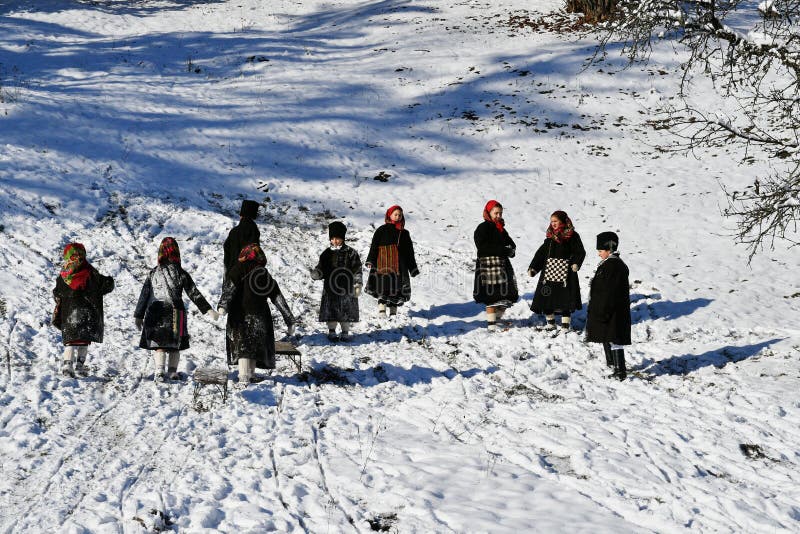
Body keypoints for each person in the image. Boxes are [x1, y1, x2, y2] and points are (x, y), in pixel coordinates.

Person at [134, 237, 218, 381]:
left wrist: (139, 315)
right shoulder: (181, 272)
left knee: (159, 343)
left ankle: (159, 372)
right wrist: (208, 309)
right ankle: (172, 372)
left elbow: (145, 295)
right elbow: (193, 292)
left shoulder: (153, 273)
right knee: (175, 345)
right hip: (175, 311)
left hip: (156, 311)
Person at [218, 243, 296, 386]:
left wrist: (223, 306)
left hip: (239, 315)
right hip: (260, 316)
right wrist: (289, 319)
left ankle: (243, 377)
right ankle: (251, 375)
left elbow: (229, 289)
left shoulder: (237, 269)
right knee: (253, 346)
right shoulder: (263, 273)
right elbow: (277, 296)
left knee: (243, 347)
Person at [52, 243, 115, 377]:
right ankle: (80, 367)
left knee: (71, 341)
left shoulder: (64, 275)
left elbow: (57, 293)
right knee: (83, 341)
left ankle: (67, 366)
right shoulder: (90, 273)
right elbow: (105, 286)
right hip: (87, 315)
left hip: (69, 316)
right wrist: (110, 281)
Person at [528, 210, 586, 330]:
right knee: (547, 297)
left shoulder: (573, 236)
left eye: (555, 221)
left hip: (566, 273)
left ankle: (565, 325)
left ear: (563, 221)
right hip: (549, 272)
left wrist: (576, 263)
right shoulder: (550, 237)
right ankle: (551, 323)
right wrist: (534, 267)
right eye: (551, 221)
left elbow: (579, 251)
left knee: (565, 300)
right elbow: (541, 254)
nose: (553, 224)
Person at [586, 231, 632, 380]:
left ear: (609, 249)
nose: (599, 254)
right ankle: (612, 364)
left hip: (612, 309)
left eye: (600, 251)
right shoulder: (610, 264)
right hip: (611, 308)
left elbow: (609, 291)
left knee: (614, 338)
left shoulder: (612, 266)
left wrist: (603, 310)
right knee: (608, 336)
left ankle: (620, 372)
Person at [311, 221, 363, 342]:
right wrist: (317, 273)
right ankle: (332, 331)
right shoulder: (326, 253)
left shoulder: (351, 253)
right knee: (331, 310)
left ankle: (345, 331)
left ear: (343, 238)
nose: (335, 241)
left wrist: (358, 283)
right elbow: (321, 267)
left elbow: (357, 269)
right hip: (330, 288)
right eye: (333, 238)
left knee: (346, 310)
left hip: (347, 288)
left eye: (338, 238)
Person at [365, 205, 419, 316]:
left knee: (396, 288)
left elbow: (409, 252)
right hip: (383, 263)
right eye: (395, 214)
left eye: (400, 215)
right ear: (389, 215)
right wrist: (371, 260)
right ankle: (382, 310)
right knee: (383, 287)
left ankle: (393, 313)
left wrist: (413, 268)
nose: (397, 216)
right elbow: (374, 246)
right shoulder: (381, 230)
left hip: (399, 266)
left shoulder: (404, 233)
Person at [473, 200, 519, 331]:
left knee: (506, 296)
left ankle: (497, 320)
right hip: (488, 265)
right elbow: (482, 248)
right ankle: (491, 326)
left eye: (500, 213)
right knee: (491, 296)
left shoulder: (501, 229)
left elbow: (511, 243)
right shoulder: (482, 228)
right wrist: (503, 250)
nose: (498, 216)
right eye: (496, 213)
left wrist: (511, 250)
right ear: (489, 212)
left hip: (503, 265)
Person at [223, 199, 261, 282]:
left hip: (233, 273)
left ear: (242, 214)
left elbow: (226, 248)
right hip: (248, 276)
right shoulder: (254, 231)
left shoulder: (234, 231)